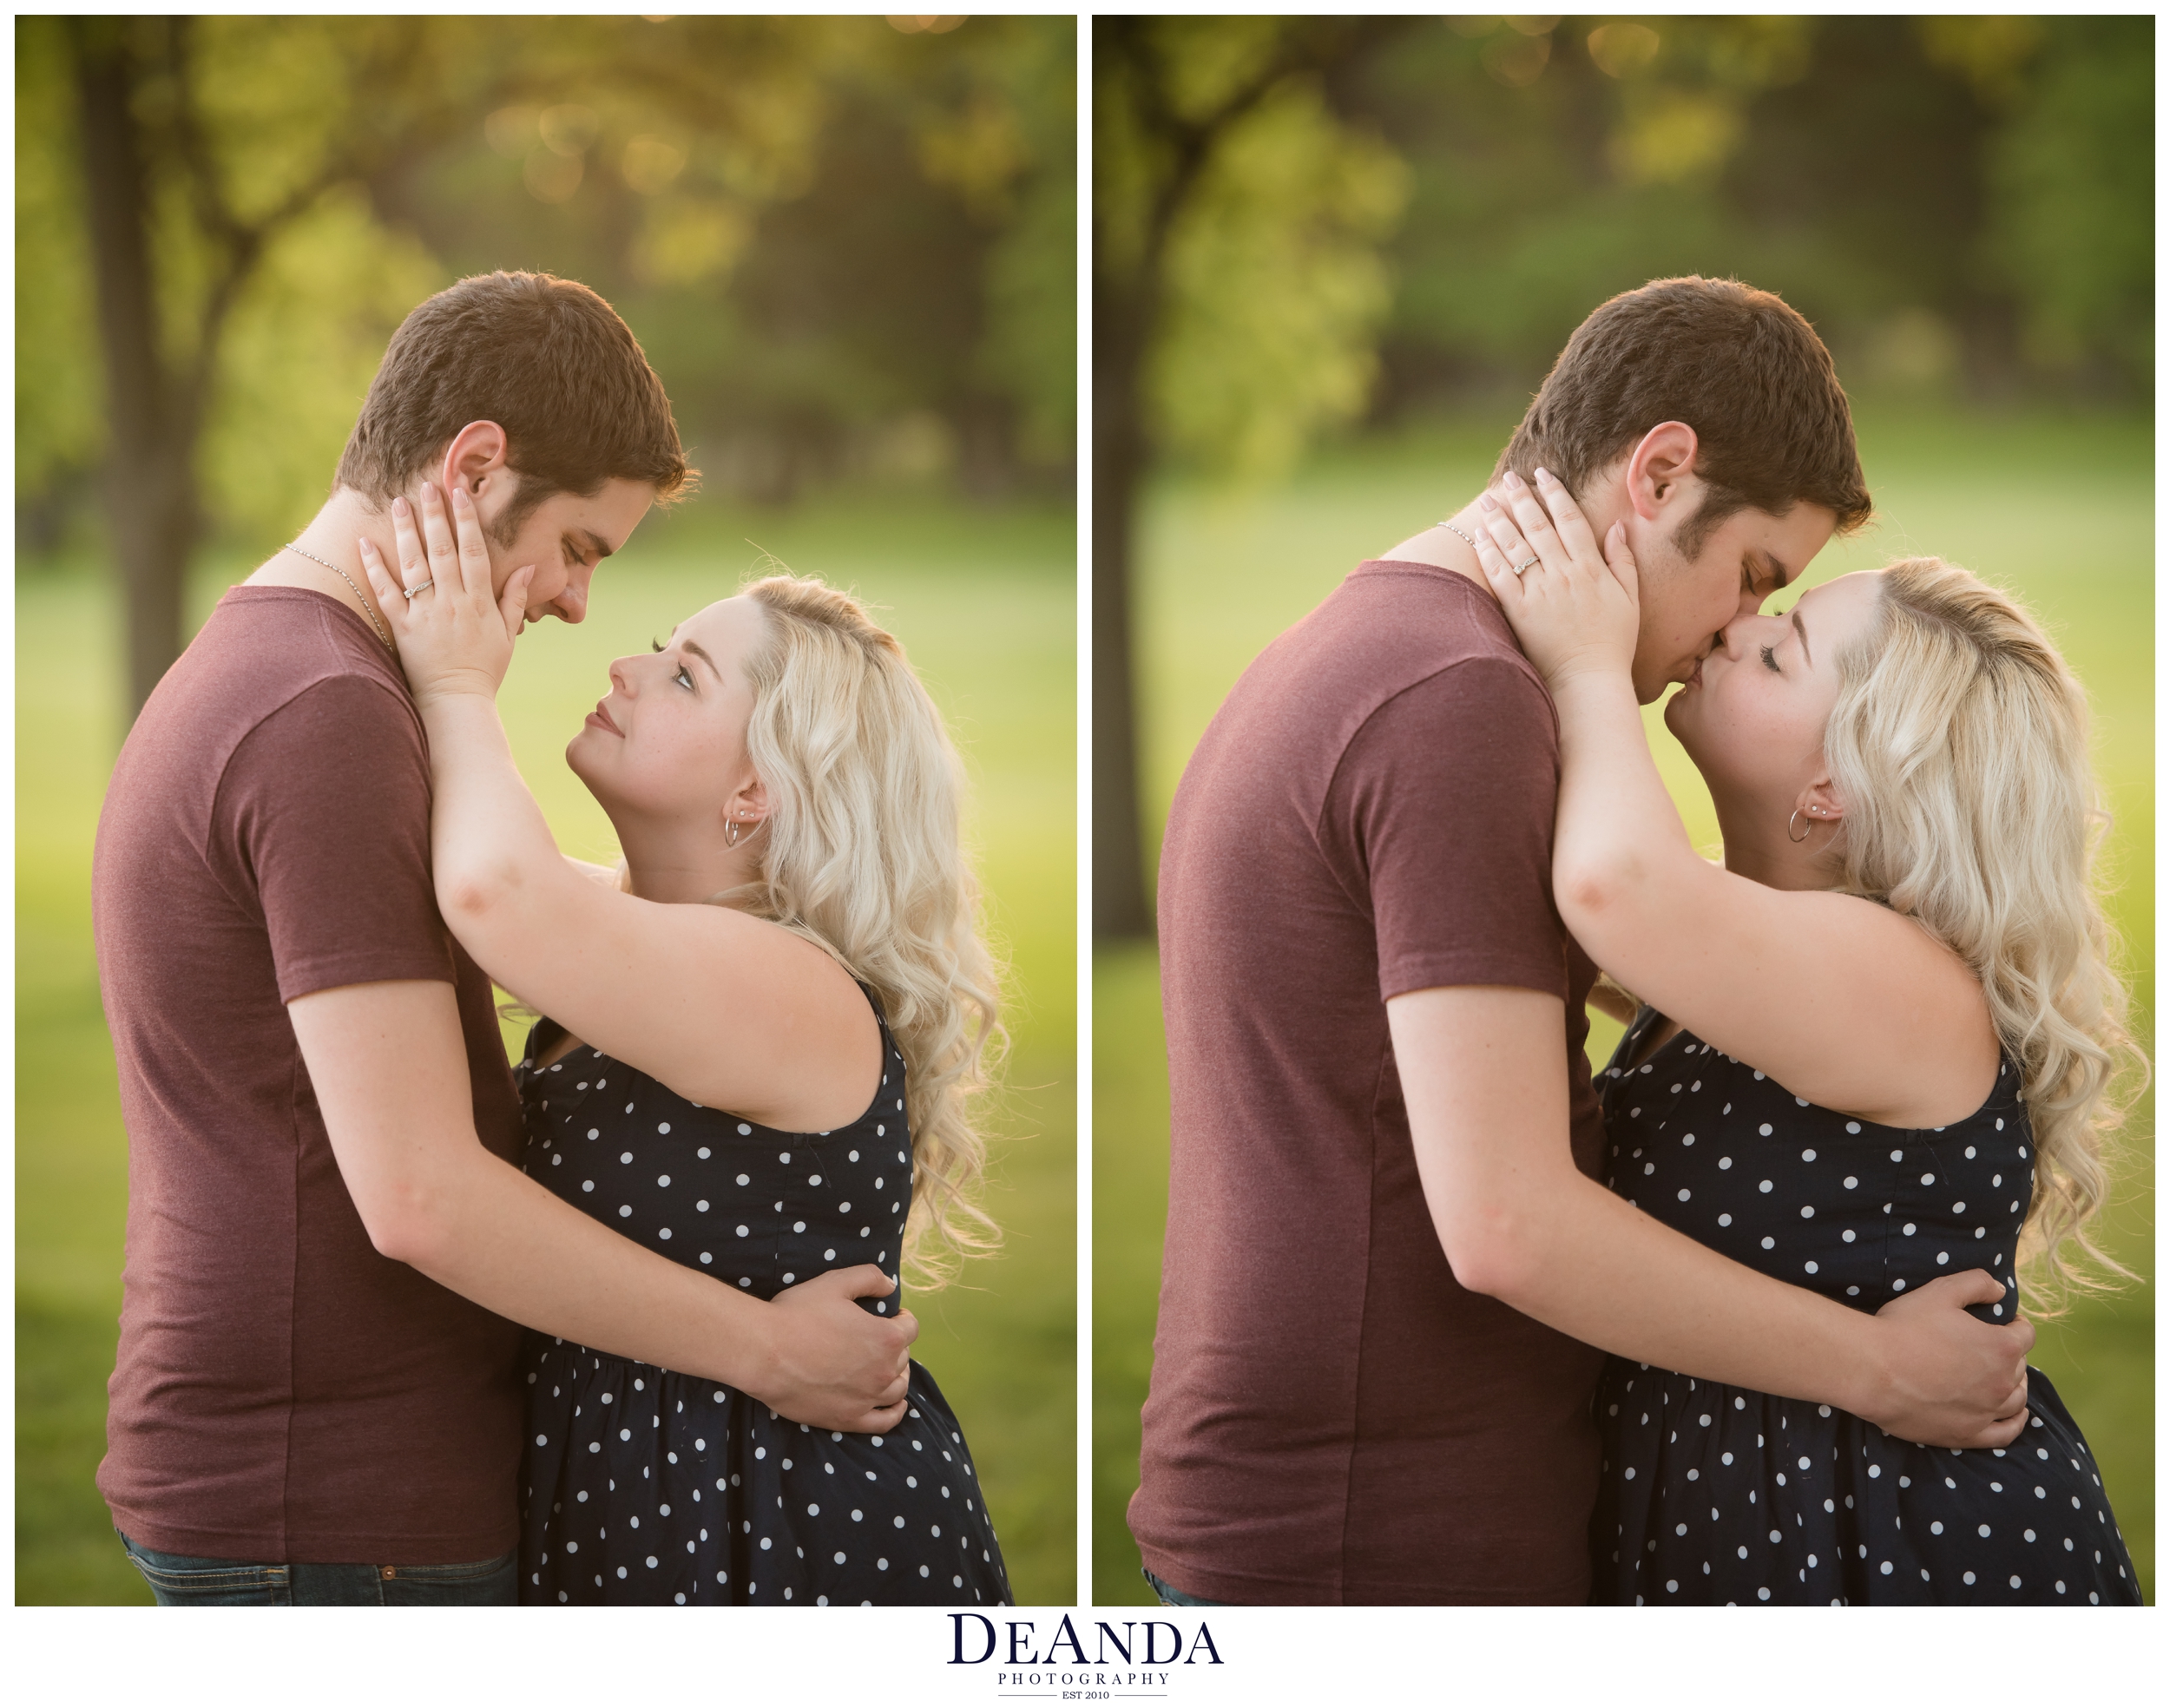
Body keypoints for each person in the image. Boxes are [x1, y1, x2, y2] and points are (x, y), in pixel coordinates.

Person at [1131, 276, 2035, 1606]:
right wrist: (1878, 1368)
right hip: (1379, 1530)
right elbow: (1505, 1220)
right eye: (1754, 580)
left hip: (1356, 1500)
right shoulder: (1461, 706)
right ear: (1662, 473)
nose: (1736, 629)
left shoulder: (1371, 645)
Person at [92, 272, 914, 1607]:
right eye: (582, 550)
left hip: (319, 1483)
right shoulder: (327, 720)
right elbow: (419, 1196)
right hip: (338, 1505)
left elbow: (554, 911)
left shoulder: (283, 673)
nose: (579, 608)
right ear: (477, 466)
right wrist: (769, 1352)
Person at [1470, 476, 2141, 1605]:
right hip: (1755, 1526)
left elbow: (1612, 882)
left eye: (1780, 653)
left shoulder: (1901, 979)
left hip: (1899, 1559)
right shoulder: (1751, 967)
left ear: (1833, 785)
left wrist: (1585, 661)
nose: (1737, 625)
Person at [357, 485, 1012, 1606]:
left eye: (685, 675)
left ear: (757, 789)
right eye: (662, 649)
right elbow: (459, 851)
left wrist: (457, 678)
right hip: (651, 1498)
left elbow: (494, 886)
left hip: (780, 1528)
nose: (625, 666)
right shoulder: (648, 939)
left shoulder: (790, 985)